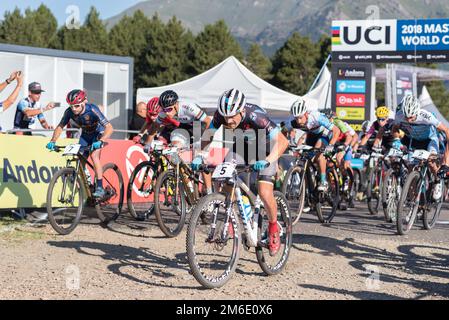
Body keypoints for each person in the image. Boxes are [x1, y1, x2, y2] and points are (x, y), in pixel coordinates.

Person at [192, 88, 289, 256]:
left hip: (266, 148)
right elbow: (209, 136)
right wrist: (200, 155)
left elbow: (282, 141)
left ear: (242, 110)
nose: (229, 120)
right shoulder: (220, 116)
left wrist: (267, 161)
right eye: (225, 116)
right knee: (226, 180)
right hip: (242, 145)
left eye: (233, 116)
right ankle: (232, 217)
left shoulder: (256, 116)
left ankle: (273, 226)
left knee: (265, 193)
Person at [46, 89, 114, 198]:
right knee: (80, 158)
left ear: (84, 102)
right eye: (71, 106)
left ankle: (100, 187)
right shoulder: (69, 112)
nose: (74, 109)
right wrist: (53, 141)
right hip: (85, 135)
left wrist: (102, 140)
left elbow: (109, 128)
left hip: (98, 133)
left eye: (77, 106)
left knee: (94, 155)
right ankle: (88, 186)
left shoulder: (92, 109)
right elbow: (60, 126)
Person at [392, 95, 449, 200]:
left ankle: (437, 182)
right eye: (406, 117)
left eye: (412, 117)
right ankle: (415, 200)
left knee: (431, 161)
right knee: (410, 168)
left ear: (417, 112)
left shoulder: (426, 116)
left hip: (429, 140)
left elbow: (447, 131)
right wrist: (396, 139)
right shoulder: (399, 115)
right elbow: (394, 128)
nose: (409, 120)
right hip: (414, 140)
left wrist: (446, 161)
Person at [285, 100, 342, 192]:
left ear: (306, 114)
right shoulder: (293, 122)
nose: (298, 121)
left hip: (324, 134)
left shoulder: (317, 117)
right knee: (305, 159)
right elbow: (282, 131)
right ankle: (308, 191)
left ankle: (323, 181)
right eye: (296, 118)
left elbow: (336, 131)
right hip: (311, 135)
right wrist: (287, 142)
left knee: (319, 154)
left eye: (300, 118)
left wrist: (330, 146)